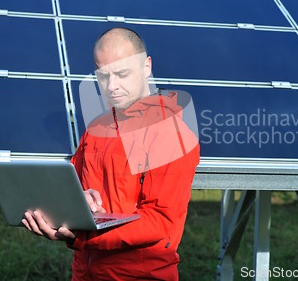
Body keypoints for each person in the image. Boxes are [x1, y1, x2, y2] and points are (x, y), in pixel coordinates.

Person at [22, 27, 200, 280]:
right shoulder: (96, 128)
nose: (112, 86)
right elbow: (72, 187)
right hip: (85, 273)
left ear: (146, 66)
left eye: (122, 74)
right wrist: (70, 204)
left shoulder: (170, 133)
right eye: (103, 76)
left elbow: (160, 221)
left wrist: (83, 235)